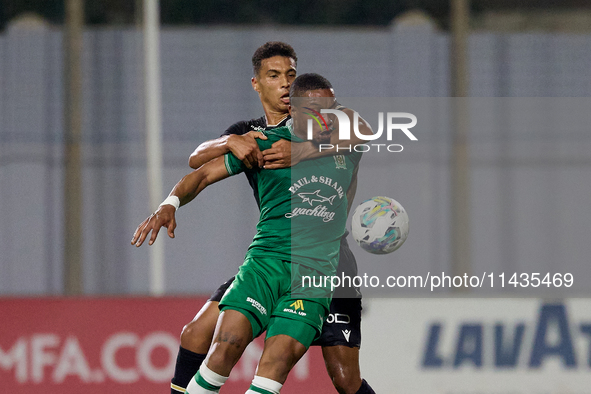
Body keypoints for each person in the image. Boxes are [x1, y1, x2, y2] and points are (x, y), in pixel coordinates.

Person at [132, 73, 362, 394]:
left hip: (314, 274)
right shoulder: (264, 144)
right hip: (264, 265)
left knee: (276, 365)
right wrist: (170, 203)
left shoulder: (344, 144)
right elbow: (200, 174)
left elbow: (364, 130)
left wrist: (302, 152)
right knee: (222, 351)